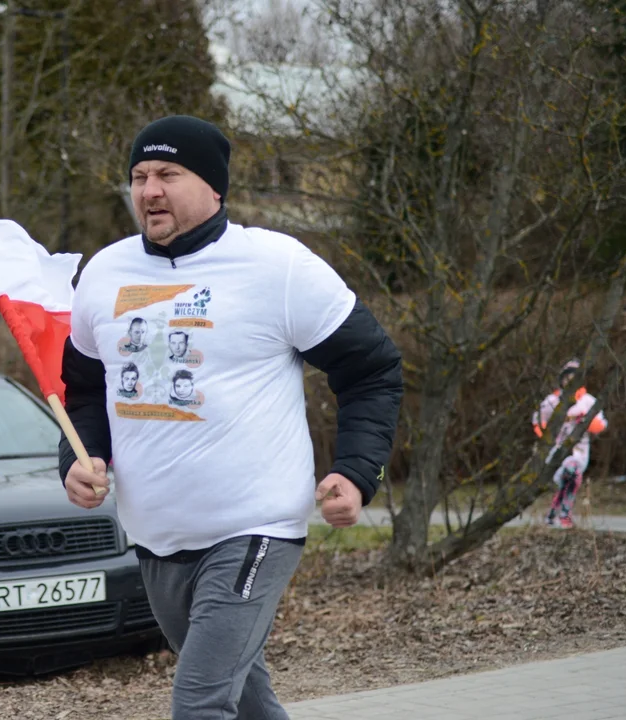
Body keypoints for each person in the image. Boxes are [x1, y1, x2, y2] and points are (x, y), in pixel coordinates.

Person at [58, 115, 403, 720]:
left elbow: (371, 369)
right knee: (248, 704)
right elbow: (84, 392)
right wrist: (80, 458)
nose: (150, 190)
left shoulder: (278, 266)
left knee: (200, 703)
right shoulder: (103, 276)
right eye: (139, 176)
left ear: (214, 187)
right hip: (155, 537)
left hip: (255, 527)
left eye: (168, 173)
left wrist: (355, 470)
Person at [533, 358, 608, 528]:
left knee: (571, 476)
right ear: (562, 379)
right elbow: (538, 423)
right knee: (571, 475)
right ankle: (564, 514)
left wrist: (585, 421)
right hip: (557, 450)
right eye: (567, 378)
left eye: (575, 378)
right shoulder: (552, 401)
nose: (570, 382)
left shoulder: (588, 401)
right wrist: (550, 432)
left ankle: (554, 513)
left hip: (580, 451)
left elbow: (601, 424)